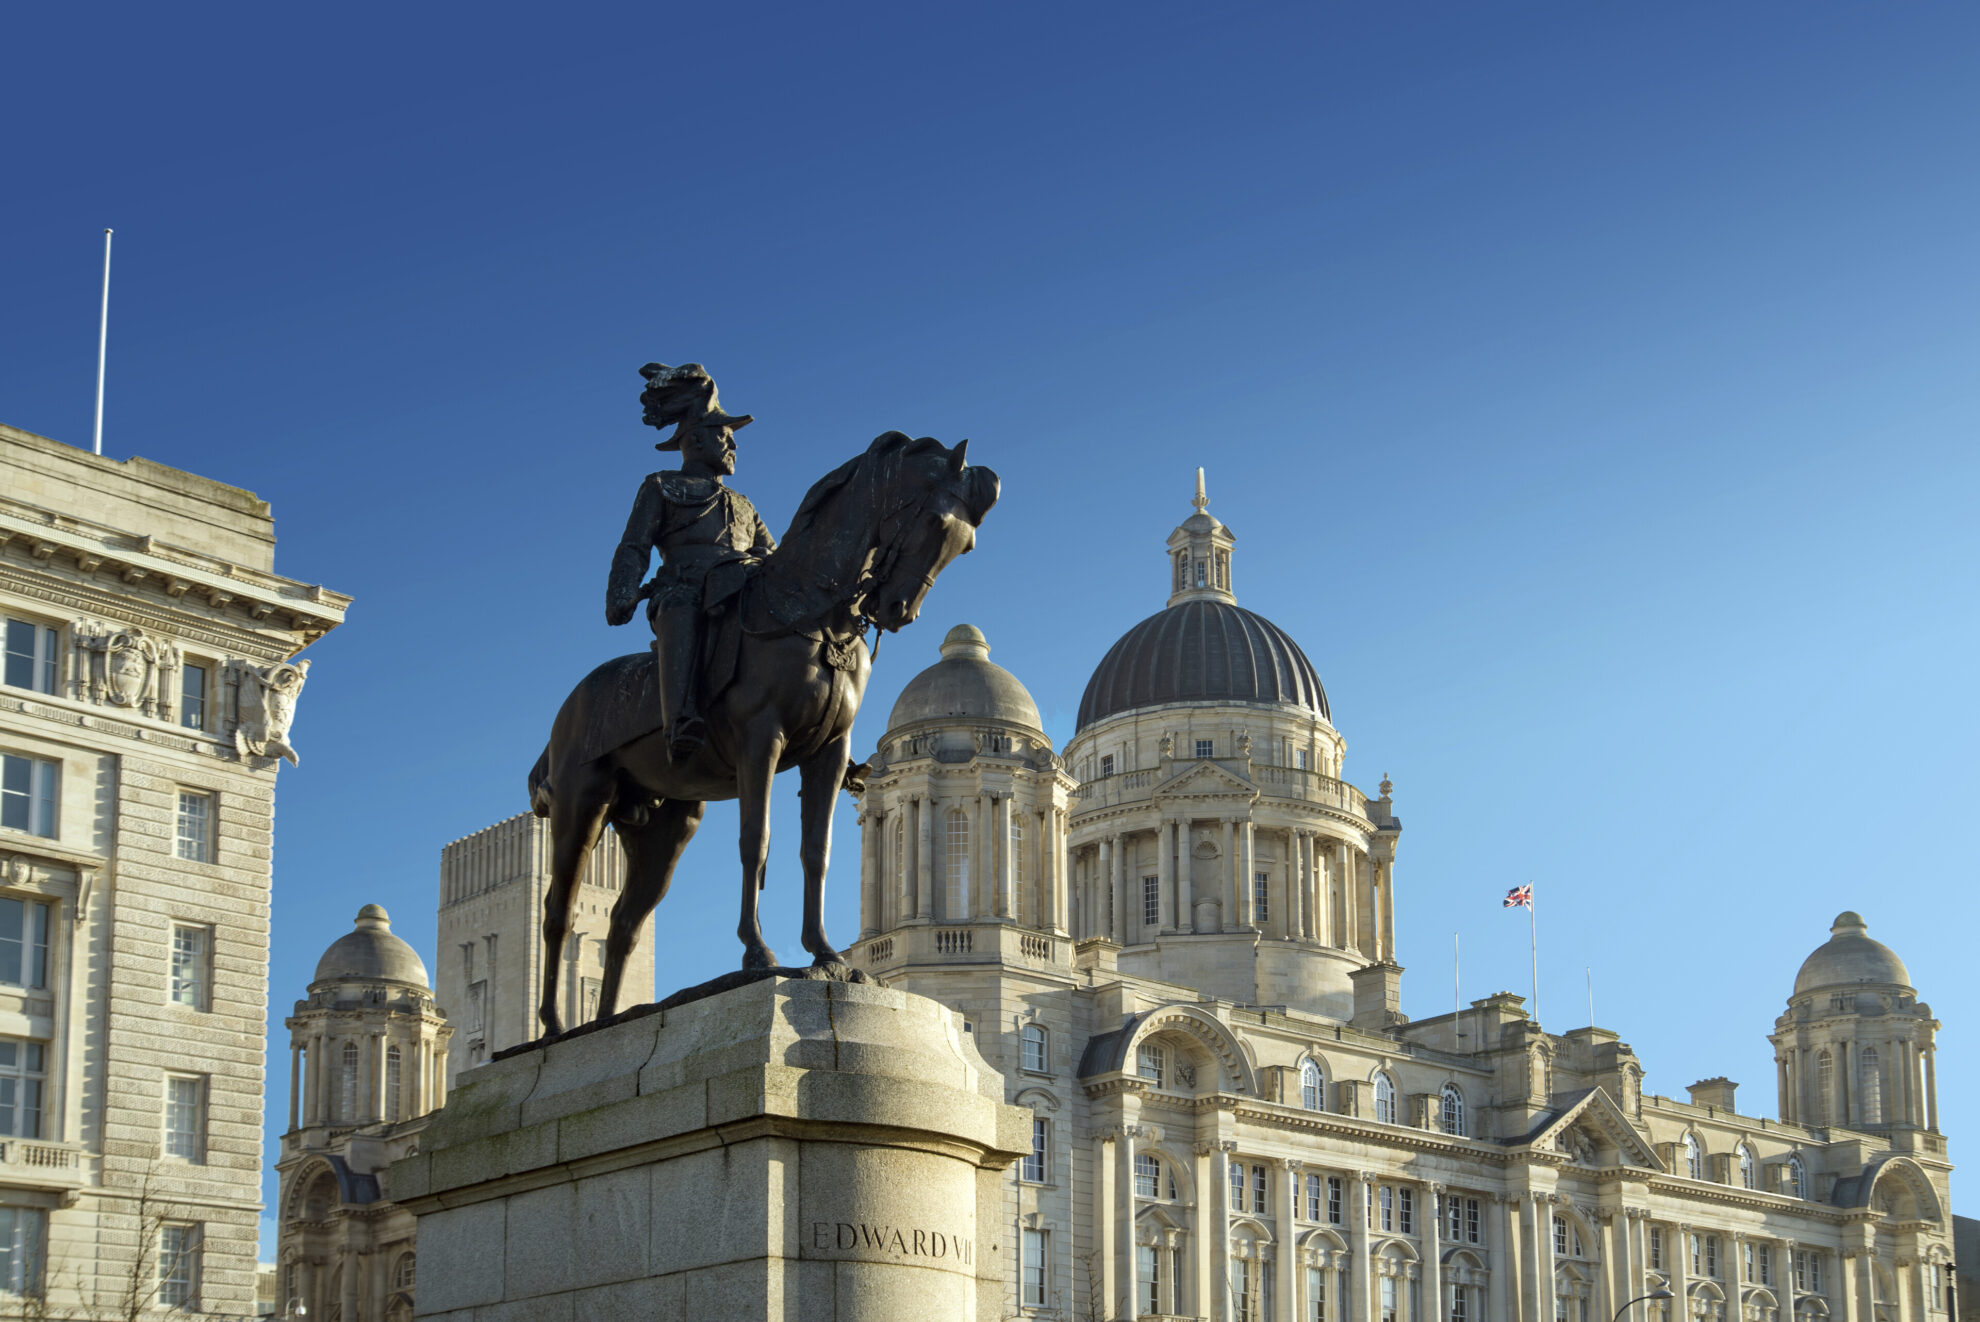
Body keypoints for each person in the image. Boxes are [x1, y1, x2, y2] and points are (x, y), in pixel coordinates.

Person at [605, 363, 775, 760]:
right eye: (725, 436)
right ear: (696, 440)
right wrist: (623, 591)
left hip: (741, 589)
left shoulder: (744, 504)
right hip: (685, 588)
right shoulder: (662, 486)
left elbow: (770, 552)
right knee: (681, 610)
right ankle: (680, 719)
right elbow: (634, 545)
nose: (734, 446)